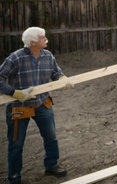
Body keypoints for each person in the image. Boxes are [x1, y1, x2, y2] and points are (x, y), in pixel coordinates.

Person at [0, 27, 72, 184]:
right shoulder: (15, 59)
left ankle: (52, 165)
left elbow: (56, 73)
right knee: (16, 144)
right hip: (19, 107)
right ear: (32, 42)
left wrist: (62, 79)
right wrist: (14, 93)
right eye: (42, 37)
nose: (46, 39)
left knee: (51, 137)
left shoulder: (48, 56)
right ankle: (14, 177)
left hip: (42, 104)